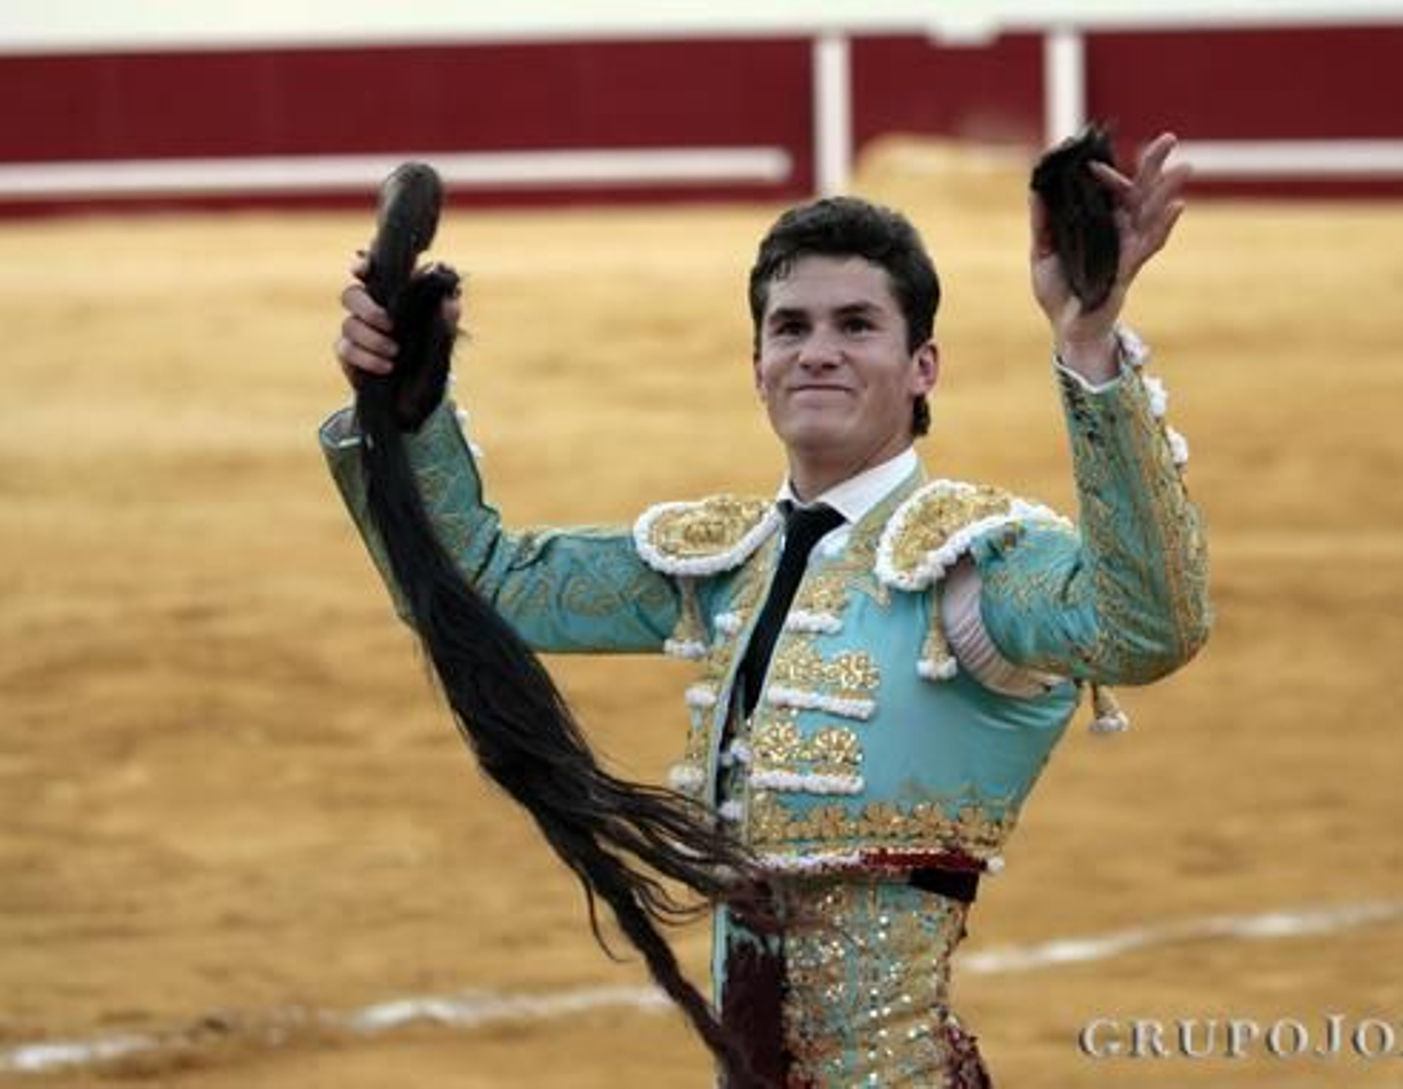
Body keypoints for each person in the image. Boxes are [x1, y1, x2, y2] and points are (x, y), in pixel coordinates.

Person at [321, 132, 1209, 1086]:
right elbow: (485, 586)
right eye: (791, 328)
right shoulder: (723, 562)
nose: (817, 353)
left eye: (857, 326)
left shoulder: (975, 567)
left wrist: (1088, 343)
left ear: (923, 369)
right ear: (757, 367)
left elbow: (1147, 626)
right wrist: (409, 420)